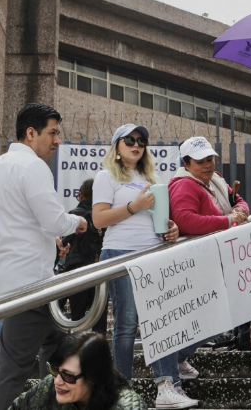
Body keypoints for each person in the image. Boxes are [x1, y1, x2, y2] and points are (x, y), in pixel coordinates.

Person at [0, 103, 88, 410]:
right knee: (12, 369)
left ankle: (90, 396)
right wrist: (78, 222)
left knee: (65, 351)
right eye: (52, 133)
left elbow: (15, 222)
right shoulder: (33, 167)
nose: (57, 140)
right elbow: (54, 219)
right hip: (32, 285)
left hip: (7, 279)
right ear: (31, 133)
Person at [92, 123, 191, 408]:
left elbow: (157, 220)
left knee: (162, 320)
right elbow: (98, 220)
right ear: (117, 147)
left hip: (153, 253)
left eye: (141, 141)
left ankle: (166, 385)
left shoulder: (151, 176)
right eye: (129, 140)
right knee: (127, 323)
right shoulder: (106, 176)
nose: (137, 145)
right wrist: (134, 206)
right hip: (120, 252)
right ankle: (123, 389)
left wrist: (170, 228)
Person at [167, 136, 249, 391]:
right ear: (186, 162)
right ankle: (177, 359)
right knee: (213, 318)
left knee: (216, 318)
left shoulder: (215, 181)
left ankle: (179, 359)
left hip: (213, 259)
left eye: (210, 159)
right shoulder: (184, 186)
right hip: (194, 262)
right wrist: (228, 220)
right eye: (200, 160)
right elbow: (186, 220)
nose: (208, 164)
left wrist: (238, 212)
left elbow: (238, 202)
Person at [10, 332, 146, 410]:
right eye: (54, 370)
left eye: (68, 376)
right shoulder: (50, 386)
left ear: (93, 377)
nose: (57, 381)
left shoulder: (127, 406)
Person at [58, 179, 107, 333]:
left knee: (77, 319)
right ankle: (100, 352)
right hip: (100, 269)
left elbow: (64, 242)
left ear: (80, 195)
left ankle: (77, 352)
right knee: (100, 319)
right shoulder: (104, 217)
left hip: (77, 270)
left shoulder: (73, 215)